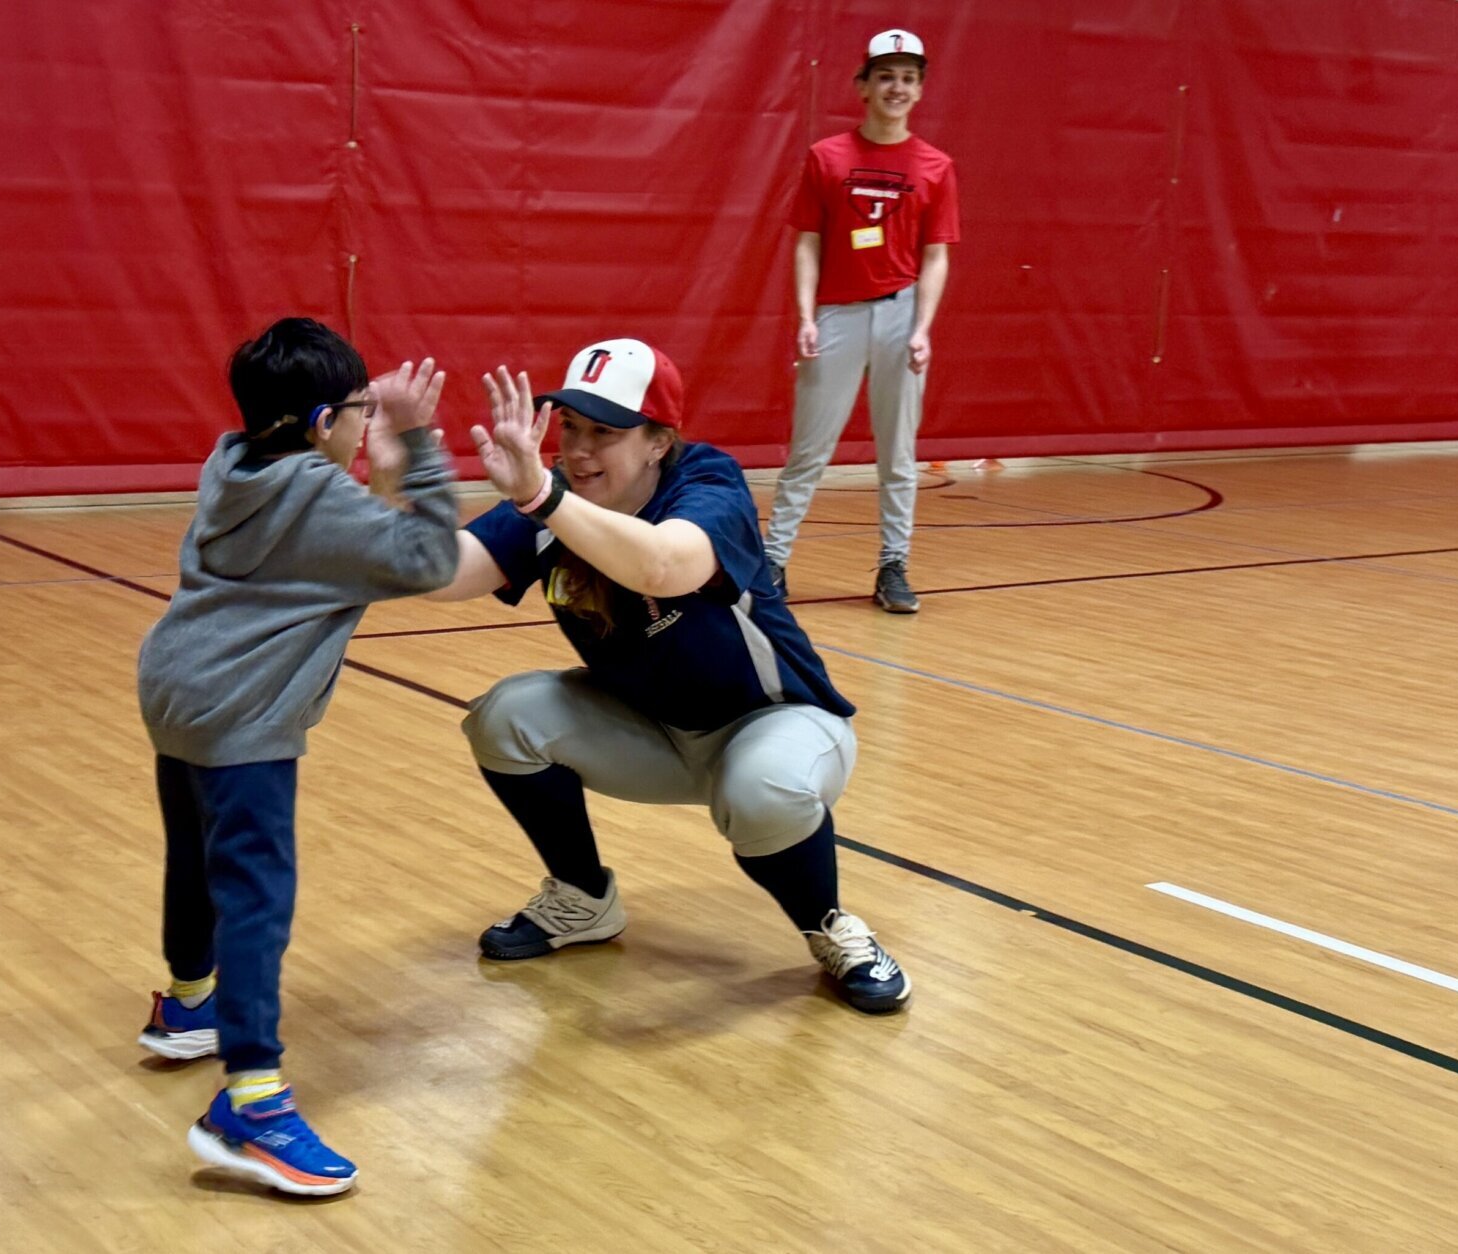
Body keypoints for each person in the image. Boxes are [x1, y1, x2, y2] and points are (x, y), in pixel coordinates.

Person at [428, 338, 910, 1014]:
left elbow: (663, 566)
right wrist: (397, 478)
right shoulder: (551, 506)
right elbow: (443, 569)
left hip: (777, 725)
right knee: (507, 714)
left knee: (763, 789)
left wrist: (542, 496)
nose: (579, 447)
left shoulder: (708, 482)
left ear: (658, 442)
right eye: (570, 427)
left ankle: (831, 925)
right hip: (656, 735)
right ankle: (583, 897)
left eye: (605, 431)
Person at [134, 317, 459, 1195]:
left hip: (174, 688)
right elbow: (428, 556)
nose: (365, 423)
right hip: (241, 715)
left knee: (195, 861)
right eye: (358, 410)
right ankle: (253, 1101)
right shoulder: (321, 500)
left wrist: (373, 470)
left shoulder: (229, 461)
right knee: (256, 897)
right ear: (321, 422)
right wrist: (418, 450)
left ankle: (188, 1003)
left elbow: (334, 531)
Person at [762, 28, 960, 613]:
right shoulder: (827, 157)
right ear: (863, 86)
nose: (896, 87)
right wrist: (806, 316)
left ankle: (893, 565)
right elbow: (807, 243)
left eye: (908, 77)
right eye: (885, 76)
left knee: (898, 455)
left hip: (901, 316)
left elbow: (936, 255)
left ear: (919, 90)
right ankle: (773, 562)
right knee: (808, 451)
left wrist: (922, 328)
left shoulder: (936, 166)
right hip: (837, 317)